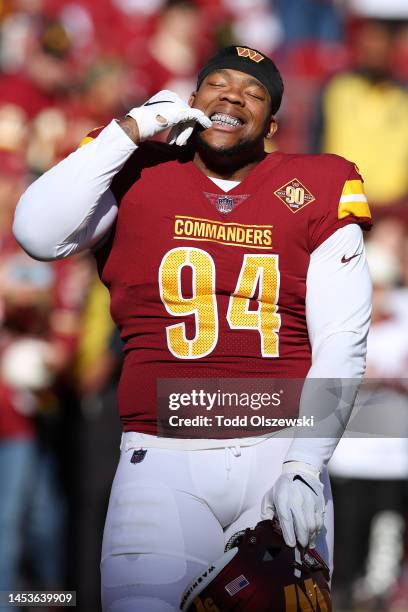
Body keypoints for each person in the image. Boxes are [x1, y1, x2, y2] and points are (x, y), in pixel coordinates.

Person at [13, 45, 372, 612]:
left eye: (254, 93)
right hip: (160, 459)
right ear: (191, 98)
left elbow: (342, 341)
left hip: (277, 456)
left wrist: (306, 464)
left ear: (272, 124)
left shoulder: (318, 184)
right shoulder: (137, 169)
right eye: (218, 84)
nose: (233, 95)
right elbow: (36, 233)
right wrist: (130, 128)